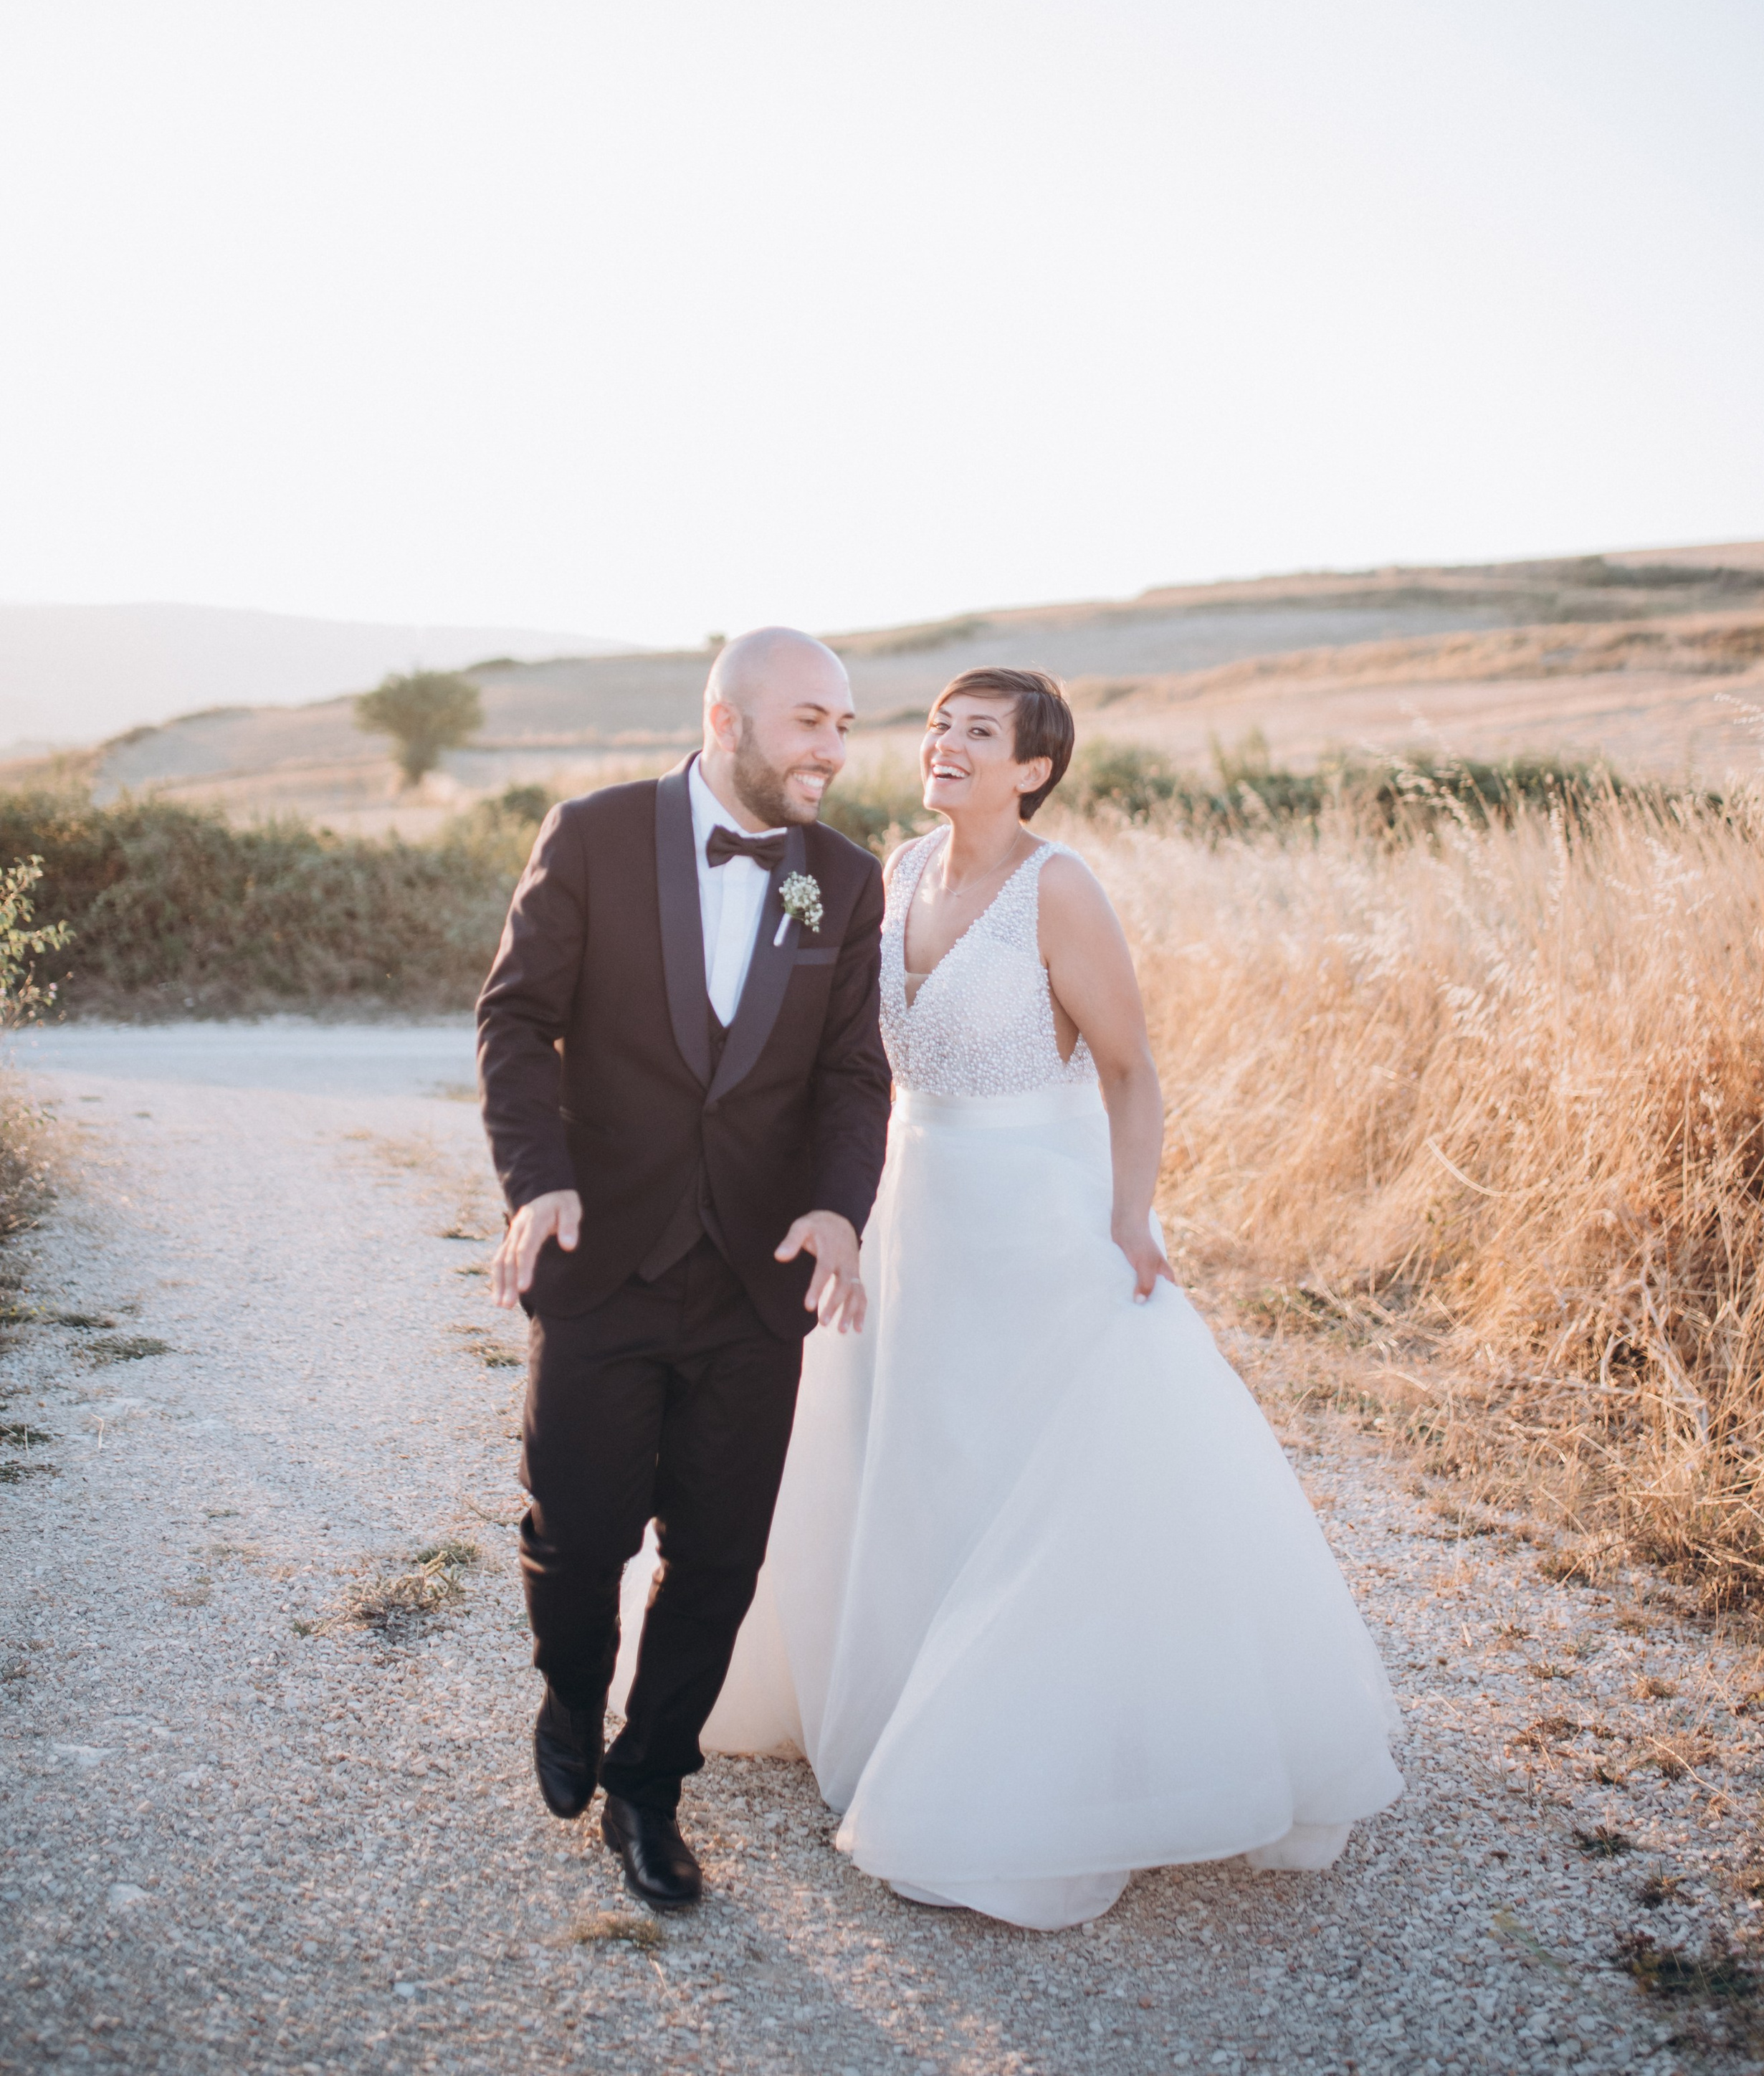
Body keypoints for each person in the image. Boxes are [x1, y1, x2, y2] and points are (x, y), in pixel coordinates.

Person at [684, 665, 1403, 1928]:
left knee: (1034, 1474)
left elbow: (1132, 1071)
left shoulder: (1058, 891)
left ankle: (1027, 1758)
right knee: (902, 1459)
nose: (946, 747)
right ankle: (903, 1699)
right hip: (912, 1210)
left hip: (1039, 1213)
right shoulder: (885, 875)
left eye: (980, 734)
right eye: (940, 728)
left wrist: (1129, 1217)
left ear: (1033, 769)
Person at [477, 629, 892, 1909]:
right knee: (579, 1529)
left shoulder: (836, 881)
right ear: (727, 719)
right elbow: (515, 1021)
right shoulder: (593, 835)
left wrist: (837, 1208)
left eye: (844, 725)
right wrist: (537, 1175)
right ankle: (567, 1692)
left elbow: (847, 1070)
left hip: (754, 1279)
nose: (833, 748)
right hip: (604, 1257)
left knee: (719, 1557)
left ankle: (650, 1787)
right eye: (810, 721)